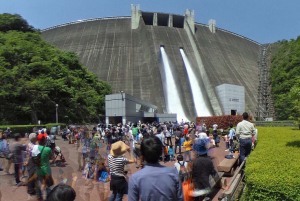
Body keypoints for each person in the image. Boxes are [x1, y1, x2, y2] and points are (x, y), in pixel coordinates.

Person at [128, 136, 183, 201]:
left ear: (142, 154)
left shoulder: (135, 178)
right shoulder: (173, 173)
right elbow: (180, 198)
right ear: (160, 152)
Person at [191, 134, 218, 200]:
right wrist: (221, 184)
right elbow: (214, 174)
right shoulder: (209, 161)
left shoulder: (194, 162)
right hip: (206, 187)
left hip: (197, 188)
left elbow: (192, 175)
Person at [32, 132, 54, 200]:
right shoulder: (48, 149)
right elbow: (52, 158)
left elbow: (33, 158)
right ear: (44, 140)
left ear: (38, 141)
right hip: (46, 170)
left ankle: (39, 197)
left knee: (39, 183)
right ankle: (47, 198)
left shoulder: (34, 148)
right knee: (47, 185)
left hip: (38, 169)